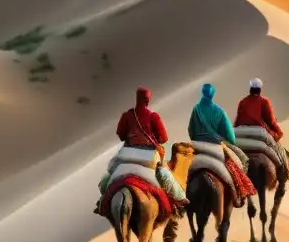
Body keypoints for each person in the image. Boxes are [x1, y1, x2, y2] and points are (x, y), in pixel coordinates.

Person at [95, 87, 186, 215]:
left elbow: (120, 135)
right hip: (149, 154)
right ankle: (180, 199)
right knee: (164, 173)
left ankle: (102, 200)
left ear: (137, 99)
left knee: (110, 172)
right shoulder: (153, 116)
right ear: (147, 100)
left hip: (127, 153)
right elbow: (164, 138)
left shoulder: (127, 115)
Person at [188, 83, 254, 206]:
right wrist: (231, 144)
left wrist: (197, 140)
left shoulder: (196, 109)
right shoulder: (219, 111)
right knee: (243, 159)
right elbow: (229, 134)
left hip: (196, 144)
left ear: (202, 93)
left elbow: (190, 129)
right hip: (216, 144)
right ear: (213, 95)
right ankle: (238, 193)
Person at [234, 77, 289, 180]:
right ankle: (283, 171)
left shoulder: (242, 102)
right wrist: (278, 132)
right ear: (260, 89)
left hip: (239, 132)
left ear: (250, 89)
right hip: (258, 132)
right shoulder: (264, 102)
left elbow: (237, 120)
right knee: (276, 147)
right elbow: (271, 121)